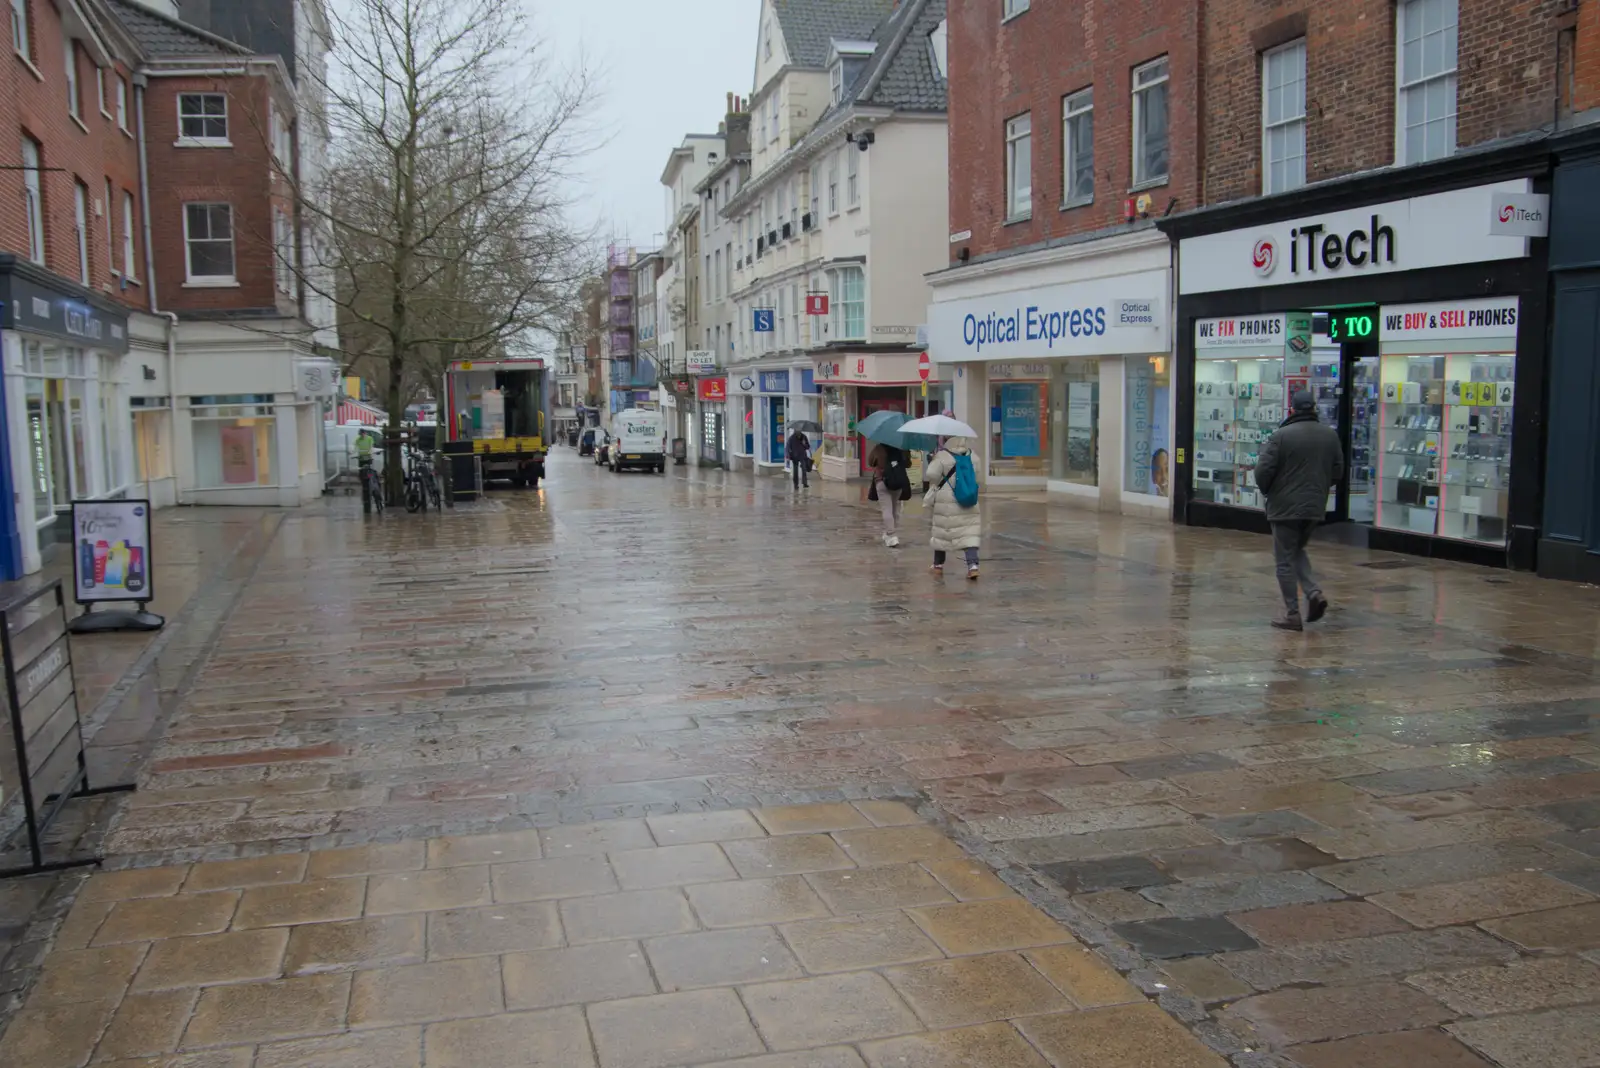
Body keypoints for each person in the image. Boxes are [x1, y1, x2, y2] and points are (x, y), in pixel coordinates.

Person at [1255, 389, 1344, 631]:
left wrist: (1270, 492)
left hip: (1284, 507)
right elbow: (1338, 471)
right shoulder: (1330, 436)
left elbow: (1262, 471)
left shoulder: (1281, 436)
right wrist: (1318, 489)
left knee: (1284, 558)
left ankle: (1292, 614)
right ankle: (1314, 593)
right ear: (1314, 408)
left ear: (1292, 409)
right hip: (1314, 506)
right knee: (1297, 550)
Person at [923, 436, 982, 580]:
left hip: (947, 500)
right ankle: (973, 566)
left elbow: (931, 475)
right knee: (969, 535)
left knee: (942, 532)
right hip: (968, 499)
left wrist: (933, 460)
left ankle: (938, 565)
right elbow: (977, 474)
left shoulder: (942, 456)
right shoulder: (973, 456)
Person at [866, 440, 910, 547]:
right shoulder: (902, 448)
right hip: (897, 481)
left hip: (882, 481)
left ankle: (892, 535)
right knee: (894, 509)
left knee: (887, 509)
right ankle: (888, 533)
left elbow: (870, 462)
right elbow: (908, 464)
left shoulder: (879, 448)